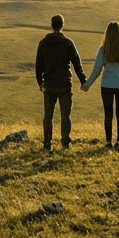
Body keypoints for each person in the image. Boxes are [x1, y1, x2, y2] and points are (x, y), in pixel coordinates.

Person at [35, 14, 85, 151]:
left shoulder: (43, 43)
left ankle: (47, 143)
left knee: (48, 116)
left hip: (49, 84)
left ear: (51, 25)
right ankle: (65, 143)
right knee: (65, 116)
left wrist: (41, 82)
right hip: (64, 84)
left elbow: (38, 65)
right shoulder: (68, 43)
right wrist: (83, 80)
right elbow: (76, 63)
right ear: (62, 25)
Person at [82, 21, 119, 151]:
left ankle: (108, 141)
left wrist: (87, 84)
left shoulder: (103, 49)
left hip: (106, 85)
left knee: (108, 114)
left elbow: (97, 69)